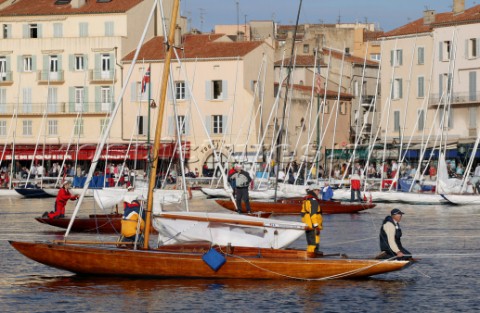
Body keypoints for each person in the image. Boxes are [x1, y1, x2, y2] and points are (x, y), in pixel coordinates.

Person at [301, 184, 323, 255]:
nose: (318, 192)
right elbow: (313, 214)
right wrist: (316, 225)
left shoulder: (306, 199)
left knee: (310, 239)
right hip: (313, 223)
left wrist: (305, 222)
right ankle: (312, 253)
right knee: (313, 239)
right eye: (317, 190)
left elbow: (302, 212)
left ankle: (312, 252)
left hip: (308, 223)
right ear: (313, 190)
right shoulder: (313, 200)